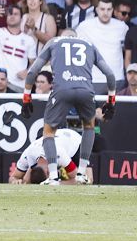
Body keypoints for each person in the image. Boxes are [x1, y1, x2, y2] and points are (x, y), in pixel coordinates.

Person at [21, 29, 113, 185]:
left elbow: (32, 72)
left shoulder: (54, 42)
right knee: (89, 128)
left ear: (61, 37)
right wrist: (111, 101)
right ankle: (81, 173)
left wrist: (26, 97)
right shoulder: (89, 44)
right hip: (86, 90)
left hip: (61, 89)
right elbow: (110, 75)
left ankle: (53, 177)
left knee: (48, 133)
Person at [76, 0, 128, 95]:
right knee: (94, 109)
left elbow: (127, 49)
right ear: (96, 10)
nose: (106, 12)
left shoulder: (122, 27)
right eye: (102, 9)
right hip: (94, 78)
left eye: (109, 9)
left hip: (117, 78)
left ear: (113, 10)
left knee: (115, 109)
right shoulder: (85, 26)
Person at [0, 4, 37, 92]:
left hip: (20, 85)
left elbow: (33, 62)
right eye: (9, 14)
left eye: (15, 14)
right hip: (1, 84)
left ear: (21, 18)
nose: (12, 16)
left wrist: (28, 71)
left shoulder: (29, 39)